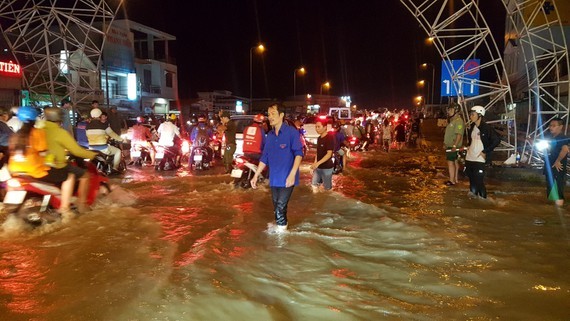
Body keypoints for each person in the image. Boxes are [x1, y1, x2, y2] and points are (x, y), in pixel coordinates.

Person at [251, 104, 304, 233]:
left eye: (273, 114)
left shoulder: (291, 132)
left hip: (287, 177)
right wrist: (256, 175)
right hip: (274, 178)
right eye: (269, 115)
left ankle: (281, 235)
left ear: (281, 115)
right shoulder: (270, 136)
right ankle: (282, 227)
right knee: (276, 205)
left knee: (281, 205)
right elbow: (265, 157)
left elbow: (298, 154)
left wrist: (292, 174)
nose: (270, 117)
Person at [42, 107, 97, 214]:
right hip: (56, 165)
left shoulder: (38, 129)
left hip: (39, 166)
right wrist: (92, 155)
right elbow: (77, 151)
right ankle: (80, 206)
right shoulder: (59, 132)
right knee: (84, 175)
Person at [464, 105, 500, 199]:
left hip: (479, 159)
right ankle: (473, 200)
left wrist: (485, 151)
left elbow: (496, 140)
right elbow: (472, 140)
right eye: (470, 114)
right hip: (470, 157)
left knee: (479, 181)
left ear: (479, 115)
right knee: (472, 180)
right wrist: (468, 146)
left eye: (473, 114)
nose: (470, 116)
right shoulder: (472, 127)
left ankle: (484, 202)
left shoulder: (486, 128)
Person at [86, 108, 124, 173]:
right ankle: (115, 168)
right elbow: (112, 134)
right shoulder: (103, 125)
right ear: (100, 115)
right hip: (103, 148)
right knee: (118, 151)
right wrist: (121, 139)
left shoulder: (87, 126)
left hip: (91, 148)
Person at [542, 118, 569, 207]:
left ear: (560, 127)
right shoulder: (548, 136)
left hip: (557, 166)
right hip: (549, 165)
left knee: (558, 190)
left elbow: (565, 149)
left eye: (554, 126)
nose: (551, 128)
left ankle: (559, 212)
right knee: (550, 188)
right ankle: (552, 211)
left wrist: (558, 161)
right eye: (550, 125)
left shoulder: (563, 138)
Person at [310, 119, 334, 193]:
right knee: (313, 185)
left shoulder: (329, 138)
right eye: (316, 127)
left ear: (325, 127)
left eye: (319, 127)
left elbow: (329, 154)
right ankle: (316, 201)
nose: (317, 128)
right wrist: (314, 164)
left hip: (327, 167)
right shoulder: (319, 138)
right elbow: (318, 152)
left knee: (327, 189)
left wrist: (317, 163)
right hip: (318, 167)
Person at [443, 104, 465, 186]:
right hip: (450, 145)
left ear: (456, 111)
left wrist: (454, 146)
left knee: (450, 162)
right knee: (455, 162)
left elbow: (459, 135)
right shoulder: (453, 121)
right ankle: (455, 179)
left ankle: (451, 180)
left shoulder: (458, 121)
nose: (448, 112)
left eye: (450, 110)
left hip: (453, 146)